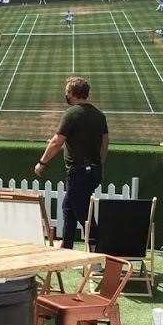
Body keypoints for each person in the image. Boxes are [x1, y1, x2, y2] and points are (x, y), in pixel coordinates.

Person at [34, 76, 108, 249]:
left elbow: (56, 141)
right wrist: (100, 164)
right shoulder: (99, 115)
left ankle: (98, 250)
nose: (65, 94)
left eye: (67, 91)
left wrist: (42, 162)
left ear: (73, 93)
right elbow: (104, 142)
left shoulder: (72, 114)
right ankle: (66, 246)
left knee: (83, 212)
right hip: (93, 170)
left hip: (79, 172)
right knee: (69, 206)